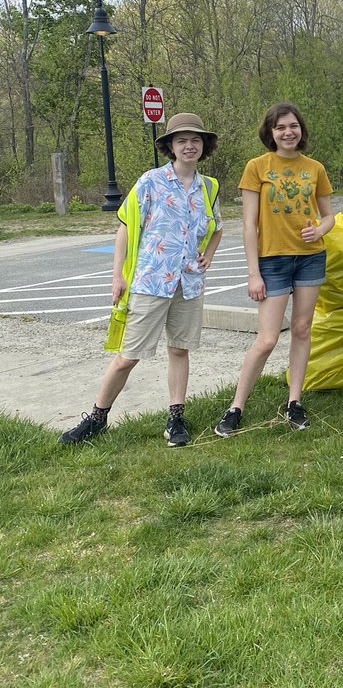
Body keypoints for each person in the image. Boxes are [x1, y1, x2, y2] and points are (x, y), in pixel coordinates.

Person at [59, 113, 222, 447]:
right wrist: (117, 275)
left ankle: (176, 418)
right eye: (181, 141)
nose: (189, 146)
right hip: (151, 281)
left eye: (195, 140)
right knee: (128, 355)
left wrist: (210, 254)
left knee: (179, 350)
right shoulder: (151, 181)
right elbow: (126, 227)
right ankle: (97, 418)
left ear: (203, 146)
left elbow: (217, 227)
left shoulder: (209, 186)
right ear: (170, 147)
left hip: (188, 283)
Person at [215, 103, 334, 438]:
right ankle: (236, 406)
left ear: (301, 130)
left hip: (310, 257)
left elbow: (329, 216)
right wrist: (253, 273)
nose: (288, 132)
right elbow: (248, 224)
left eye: (293, 126)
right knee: (267, 339)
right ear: (270, 132)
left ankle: (293, 402)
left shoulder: (315, 169)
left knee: (301, 329)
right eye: (281, 127)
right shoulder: (257, 167)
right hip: (272, 261)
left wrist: (320, 231)